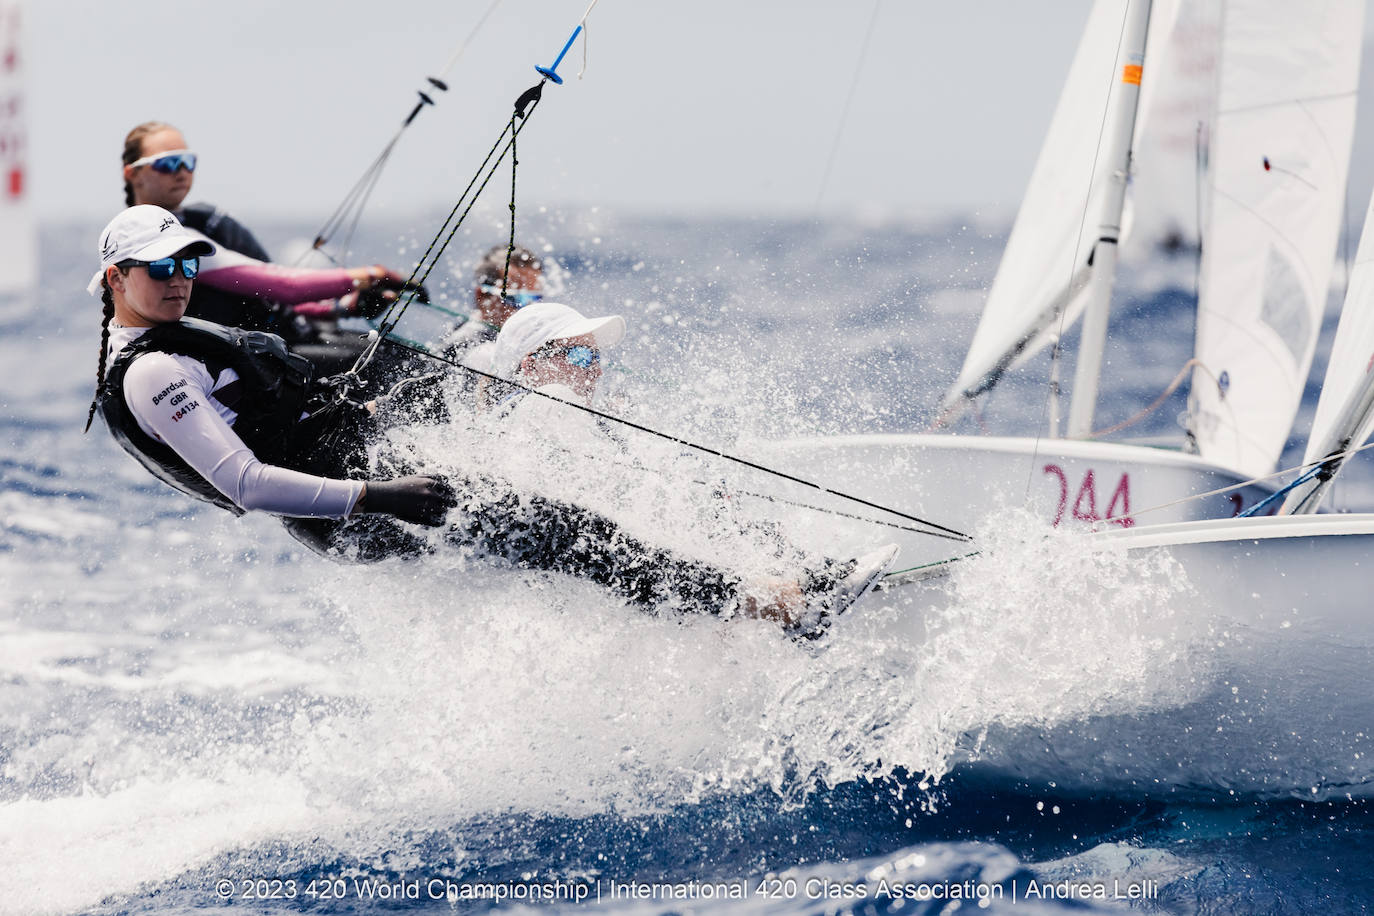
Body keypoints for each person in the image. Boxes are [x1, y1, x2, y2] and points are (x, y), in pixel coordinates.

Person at [84, 205, 892, 638]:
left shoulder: (166, 340)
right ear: (118, 278)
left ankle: (767, 571)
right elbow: (249, 485)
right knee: (567, 532)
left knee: (565, 480)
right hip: (362, 510)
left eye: (189, 261)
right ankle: (780, 606)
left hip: (369, 460)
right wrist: (385, 496)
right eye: (161, 269)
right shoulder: (154, 372)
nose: (181, 278)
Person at [119, 121, 415, 368]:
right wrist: (369, 275)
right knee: (391, 363)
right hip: (247, 367)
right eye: (167, 163)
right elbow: (286, 287)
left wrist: (341, 307)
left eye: (188, 161)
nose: (182, 171)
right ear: (132, 174)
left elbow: (265, 303)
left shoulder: (203, 220)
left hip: (281, 342)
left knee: (400, 356)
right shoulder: (166, 241)